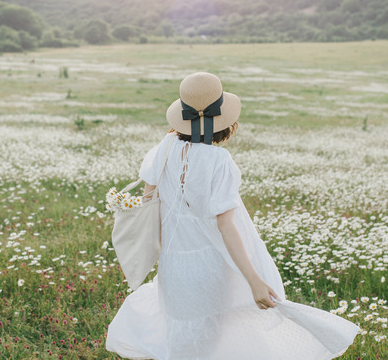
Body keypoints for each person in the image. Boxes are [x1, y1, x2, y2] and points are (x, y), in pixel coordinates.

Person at [106, 72, 359, 360]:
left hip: (174, 264)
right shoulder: (219, 162)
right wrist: (254, 279)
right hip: (211, 265)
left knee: (182, 333)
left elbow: (149, 199)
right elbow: (226, 227)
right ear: (223, 120)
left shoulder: (162, 149)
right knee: (212, 334)